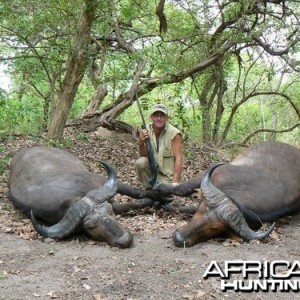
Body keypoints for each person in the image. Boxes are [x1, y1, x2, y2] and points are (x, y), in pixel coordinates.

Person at [135, 103, 183, 190]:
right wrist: (141, 142)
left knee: (165, 198)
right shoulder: (145, 130)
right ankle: (149, 189)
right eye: (156, 115)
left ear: (167, 118)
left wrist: (175, 183)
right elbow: (143, 155)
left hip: (167, 177)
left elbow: (179, 158)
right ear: (151, 117)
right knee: (140, 162)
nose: (159, 118)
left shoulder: (174, 133)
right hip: (152, 173)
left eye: (162, 116)